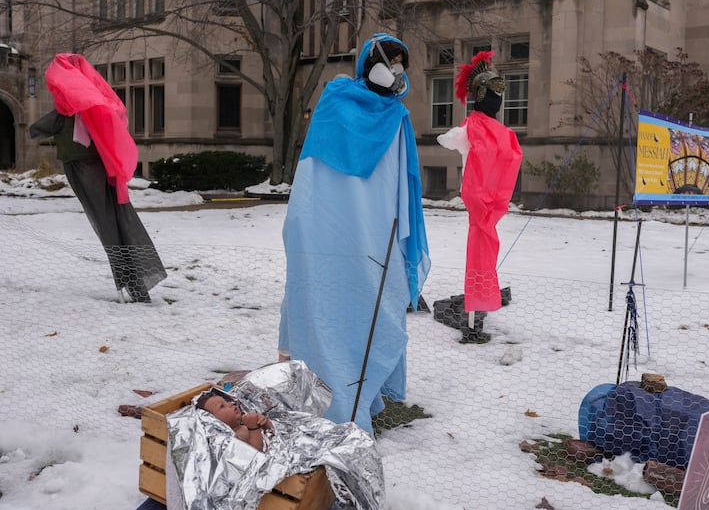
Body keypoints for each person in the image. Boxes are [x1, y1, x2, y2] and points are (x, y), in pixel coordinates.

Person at [278, 33, 430, 434]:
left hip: (375, 237)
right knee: (325, 306)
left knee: (378, 307)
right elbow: (312, 177)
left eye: (402, 63)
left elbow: (400, 181)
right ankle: (325, 392)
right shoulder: (334, 103)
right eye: (391, 61)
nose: (396, 70)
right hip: (325, 237)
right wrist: (303, 226)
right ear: (370, 64)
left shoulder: (396, 117)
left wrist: (394, 230)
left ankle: (365, 389)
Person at [29, 53, 166, 303]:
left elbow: (38, 128)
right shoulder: (93, 106)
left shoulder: (70, 110)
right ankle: (136, 283)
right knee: (114, 218)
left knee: (106, 221)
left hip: (83, 166)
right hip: (101, 166)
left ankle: (132, 281)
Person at [437, 50, 522, 342]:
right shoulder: (470, 129)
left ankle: (478, 309)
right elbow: (446, 140)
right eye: (494, 92)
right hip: (478, 208)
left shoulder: (504, 133)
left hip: (491, 207)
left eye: (501, 92)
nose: (498, 99)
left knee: (484, 253)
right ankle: (474, 317)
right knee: (478, 255)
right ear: (481, 95)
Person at [196, 389, 273, 452]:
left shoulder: (243, 425)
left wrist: (264, 422)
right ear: (213, 421)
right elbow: (254, 456)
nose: (231, 404)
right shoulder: (233, 440)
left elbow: (271, 433)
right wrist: (253, 428)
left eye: (227, 402)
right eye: (222, 406)